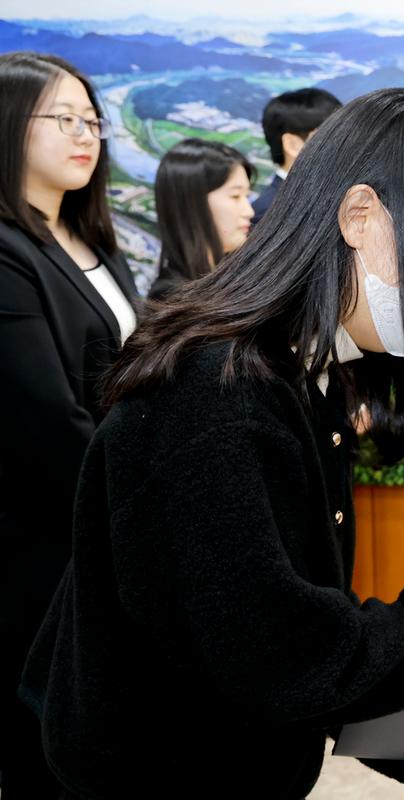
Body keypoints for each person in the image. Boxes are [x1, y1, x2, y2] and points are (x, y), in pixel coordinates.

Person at [19, 87, 404, 798]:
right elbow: (284, 654)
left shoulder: (306, 375)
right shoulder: (215, 395)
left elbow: (269, 629)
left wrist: (385, 728)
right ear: (359, 217)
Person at [0, 51, 140, 799]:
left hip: (100, 531)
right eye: (64, 118)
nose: (86, 134)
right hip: (44, 544)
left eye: (93, 120)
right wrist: (146, 503)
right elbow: (45, 418)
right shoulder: (6, 249)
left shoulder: (93, 240)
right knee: (45, 750)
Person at [147, 138, 255, 301]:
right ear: (193, 203)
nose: (249, 211)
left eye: (246, 196)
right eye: (235, 196)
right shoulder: (172, 300)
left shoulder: (224, 280)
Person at [252, 87, 342, 225]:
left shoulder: (336, 193)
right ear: (293, 145)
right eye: (332, 135)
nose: (343, 142)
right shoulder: (267, 213)